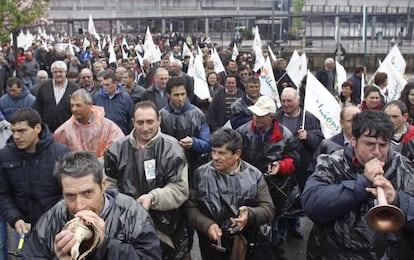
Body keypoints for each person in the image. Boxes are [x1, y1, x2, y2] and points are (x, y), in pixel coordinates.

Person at [301, 110, 414, 259]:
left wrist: (397, 200)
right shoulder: (332, 162)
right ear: (353, 140)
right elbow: (312, 204)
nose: (377, 152)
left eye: (383, 145)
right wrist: (362, 184)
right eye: (369, 144)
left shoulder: (401, 166)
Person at [23, 151, 162, 259]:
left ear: (103, 185)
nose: (79, 206)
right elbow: (31, 255)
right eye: (70, 196)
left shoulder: (132, 214)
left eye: (87, 193)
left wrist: (103, 245)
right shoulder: (55, 217)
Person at [104, 101, 190, 259]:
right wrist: (126, 205)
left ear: (159, 120)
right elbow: (109, 184)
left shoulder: (173, 149)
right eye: (140, 122)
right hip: (126, 224)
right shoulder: (117, 149)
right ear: (132, 122)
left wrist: (153, 198)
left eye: (150, 122)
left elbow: (179, 188)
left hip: (167, 225)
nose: (145, 128)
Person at [185, 128, 275, 259]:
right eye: (213, 151)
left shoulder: (254, 176)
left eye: (221, 153)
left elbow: (268, 209)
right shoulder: (201, 174)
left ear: (237, 154)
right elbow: (190, 207)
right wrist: (207, 225)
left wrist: (250, 214)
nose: (215, 157)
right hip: (211, 245)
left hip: (245, 245)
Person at [236, 95, 300, 255]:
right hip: (247, 186)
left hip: (275, 189)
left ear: (271, 117)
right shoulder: (243, 131)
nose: (255, 118)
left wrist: (281, 166)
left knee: (274, 223)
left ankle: (272, 250)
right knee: (250, 220)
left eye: (260, 115)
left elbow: (293, 161)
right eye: (254, 114)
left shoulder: (285, 135)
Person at [0, 108, 70, 245]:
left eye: (22, 131)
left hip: (56, 229)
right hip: (23, 228)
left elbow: (69, 192)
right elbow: (3, 194)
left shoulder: (60, 154)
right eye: (13, 131)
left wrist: (54, 219)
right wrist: (15, 219)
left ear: (37, 128)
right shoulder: (5, 156)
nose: (16, 136)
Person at [159, 76, 210, 180]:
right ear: (168, 95)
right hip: (167, 167)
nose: (180, 98)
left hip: (193, 167)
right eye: (176, 95)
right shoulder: (161, 115)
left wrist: (194, 142)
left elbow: (207, 144)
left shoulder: (197, 114)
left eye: (183, 94)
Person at [54, 89, 124, 158]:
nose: (74, 109)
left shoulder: (107, 127)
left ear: (90, 105)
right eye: (72, 105)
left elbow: (118, 148)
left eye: (78, 105)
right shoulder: (65, 129)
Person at [34, 60, 80, 133]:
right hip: (47, 131)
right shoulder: (44, 87)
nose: (58, 74)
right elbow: (37, 107)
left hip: (68, 130)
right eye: (55, 72)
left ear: (66, 72)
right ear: (51, 73)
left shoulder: (75, 88)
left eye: (61, 72)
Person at [92, 70, 135, 135]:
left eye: (107, 85)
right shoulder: (96, 97)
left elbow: (131, 118)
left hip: (121, 136)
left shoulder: (125, 98)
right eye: (103, 85)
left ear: (115, 84)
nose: (105, 87)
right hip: (101, 136)